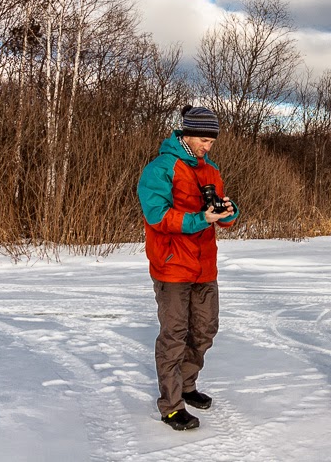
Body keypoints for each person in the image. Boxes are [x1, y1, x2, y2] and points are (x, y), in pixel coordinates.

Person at [137, 105, 239, 431]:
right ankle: (171, 405)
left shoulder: (211, 170)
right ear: (186, 134)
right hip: (172, 266)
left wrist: (227, 210)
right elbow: (157, 216)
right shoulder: (160, 169)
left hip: (205, 266)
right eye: (203, 140)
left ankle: (187, 384)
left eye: (211, 142)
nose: (207, 147)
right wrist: (199, 219)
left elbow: (226, 218)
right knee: (174, 335)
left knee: (205, 330)